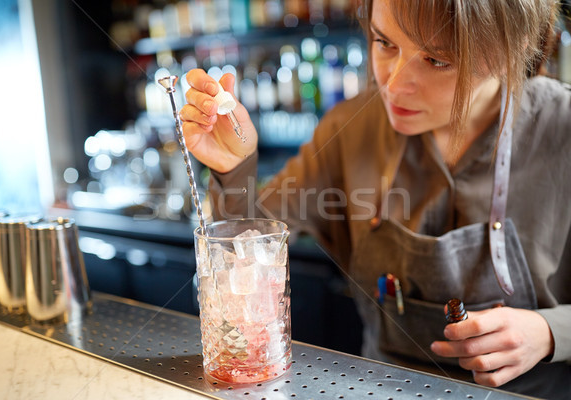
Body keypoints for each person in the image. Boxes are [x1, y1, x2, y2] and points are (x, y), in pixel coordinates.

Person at [179, 0, 571, 397]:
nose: (394, 83)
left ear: (514, 47)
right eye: (385, 43)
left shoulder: (563, 127)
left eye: (436, 60)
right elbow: (246, 256)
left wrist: (551, 333)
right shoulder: (350, 128)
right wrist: (235, 169)